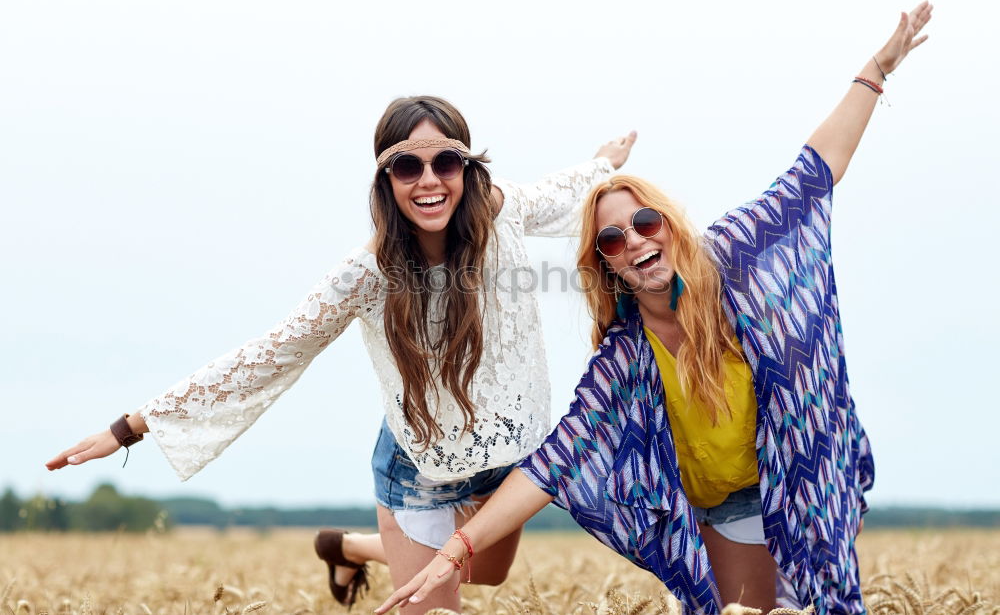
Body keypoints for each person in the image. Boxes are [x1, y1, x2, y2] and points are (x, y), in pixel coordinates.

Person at [374, 2, 932, 615]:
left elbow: (815, 171)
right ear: (607, 267)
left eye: (644, 221)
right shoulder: (626, 355)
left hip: (804, 475)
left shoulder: (733, 256)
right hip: (725, 505)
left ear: (668, 223)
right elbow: (554, 462)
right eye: (612, 239)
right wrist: (457, 550)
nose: (634, 239)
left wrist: (876, 70)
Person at [45, 95, 638, 614]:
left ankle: (348, 546)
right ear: (386, 178)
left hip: (505, 456)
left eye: (445, 161)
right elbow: (271, 353)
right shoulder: (366, 273)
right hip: (420, 463)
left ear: (466, 168)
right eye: (408, 165)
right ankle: (391, 542)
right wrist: (131, 427)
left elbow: (565, 189)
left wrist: (603, 164)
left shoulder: (501, 215)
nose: (428, 179)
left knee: (488, 573)